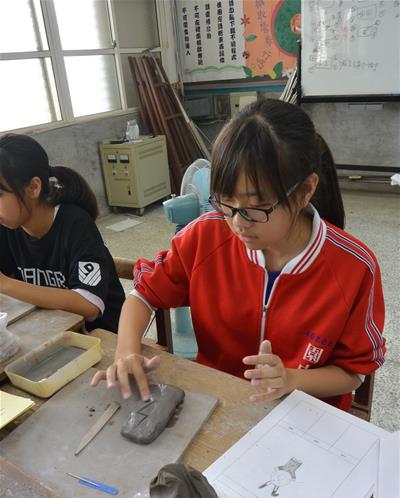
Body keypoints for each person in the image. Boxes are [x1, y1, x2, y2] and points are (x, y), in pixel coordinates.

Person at [91, 99, 385, 411]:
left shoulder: (353, 268)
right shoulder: (205, 237)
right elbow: (143, 294)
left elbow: (353, 372)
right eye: (226, 202)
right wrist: (125, 350)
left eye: (255, 208)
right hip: (219, 402)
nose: (237, 223)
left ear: (305, 191)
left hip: (307, 415)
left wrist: (290, 379)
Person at [0, 133, 125, 333]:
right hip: (49, 329)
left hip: (100, 340)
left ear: (33, 187)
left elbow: (89, 305)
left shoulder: (76, 224)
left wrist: (5, 284)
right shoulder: (8, 225)